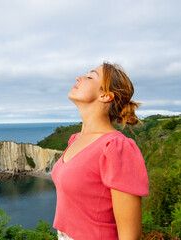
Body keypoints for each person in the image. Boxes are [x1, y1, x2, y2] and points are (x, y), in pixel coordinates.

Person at [52, 62, 149, 240]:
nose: (78, 78)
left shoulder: (116, 147)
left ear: (105, 95)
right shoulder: (74, 140)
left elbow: (129, 236)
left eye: (90, 77)